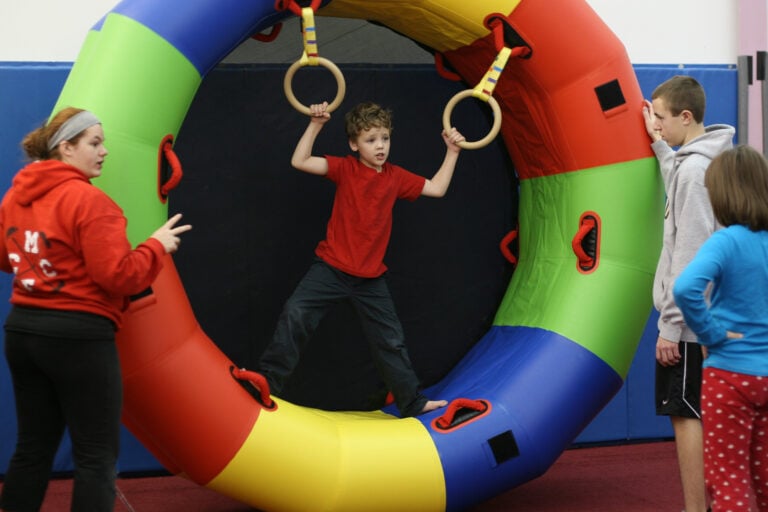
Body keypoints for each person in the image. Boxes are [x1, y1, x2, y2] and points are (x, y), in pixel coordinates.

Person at [0, 107, 192, 512]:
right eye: (95, 142)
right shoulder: (91, 202)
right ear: (66, 148)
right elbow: (119, 277)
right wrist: (156, 246)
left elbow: (6, 257)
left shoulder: (16, 194)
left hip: (22, 333)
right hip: (78, 338)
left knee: (32, 450)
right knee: (96, 456)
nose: (104, 151)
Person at [255, 101, 464, 417]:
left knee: (390, 340)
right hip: (331, 269)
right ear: (354, 145)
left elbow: (436, 188)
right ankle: (267, 385)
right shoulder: (346, 169)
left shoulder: (395, 177)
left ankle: (412, 402)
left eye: (385, 138)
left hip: (370, 278)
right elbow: (300, 161)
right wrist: (316, 124)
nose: (380, 146)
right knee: (295, 315)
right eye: (371, 140)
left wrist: (452, 151)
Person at [642, 75, 735, 512]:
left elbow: (691, 253)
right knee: (699, 412)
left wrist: (671, 326)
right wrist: (661, 147)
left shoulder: (696, 171)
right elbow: (679, 179)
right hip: (710, 315)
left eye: (661, 118)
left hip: (691, 321)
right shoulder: (702, 162)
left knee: (685, 414)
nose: (656, 124)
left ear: (685, 116)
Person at [673, 144, 768, 512]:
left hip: (730, 376)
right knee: (764, 477)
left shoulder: (726, 241)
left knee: (728, 479)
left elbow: (685, 288)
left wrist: (710, 333)